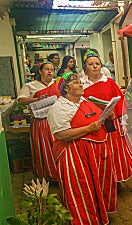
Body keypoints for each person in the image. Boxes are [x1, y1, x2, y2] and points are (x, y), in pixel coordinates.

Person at [47, 72, 117, 225]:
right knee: (81, 189)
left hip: (91, 154)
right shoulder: (59, 108)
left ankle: (98, 215)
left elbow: (96, 117)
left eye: (81, 82)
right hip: (74, 155)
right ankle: (83, 220)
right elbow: (61, 134)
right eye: (76, 83)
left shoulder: (85, 101)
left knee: (94, 188)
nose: (81, 85)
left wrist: (107, 117)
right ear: (65, 88)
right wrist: (89, 128)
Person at [81, 50, 132, 183]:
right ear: (85, 67)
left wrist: (123, 122)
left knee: (113, 153)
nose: (95, 66)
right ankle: (101, 180)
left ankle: (115, 179)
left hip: (112, 124)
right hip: (92, 125)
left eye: (97, 63)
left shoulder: (109, 82)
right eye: (91, 64)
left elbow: (120, 102)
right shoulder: (82, 85)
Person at [17, 62, 60, 180]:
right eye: (47, 69)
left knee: (58, 146)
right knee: (44, 147)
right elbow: (20, 100)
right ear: (40, 71)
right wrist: (37, 99)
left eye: (52, 69)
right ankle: (47, 175)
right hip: (40, 121)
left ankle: (61, 172)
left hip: (57, 120)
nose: (50, 72)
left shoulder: (57, 83)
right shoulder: (31, 86)